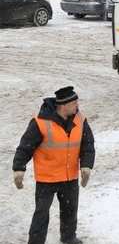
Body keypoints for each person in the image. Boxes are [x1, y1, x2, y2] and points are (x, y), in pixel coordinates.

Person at [13, 86, 95, 244]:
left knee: (70, 211)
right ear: (63, 106)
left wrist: (86, 165)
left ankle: (69, 238)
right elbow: (25, 146)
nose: (77, 106)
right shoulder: (41, 122)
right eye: (74, 103)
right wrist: (18, 168)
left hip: (69, 176)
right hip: (47, 179)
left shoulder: (80, 119)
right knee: (41, 214)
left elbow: (88, 144)